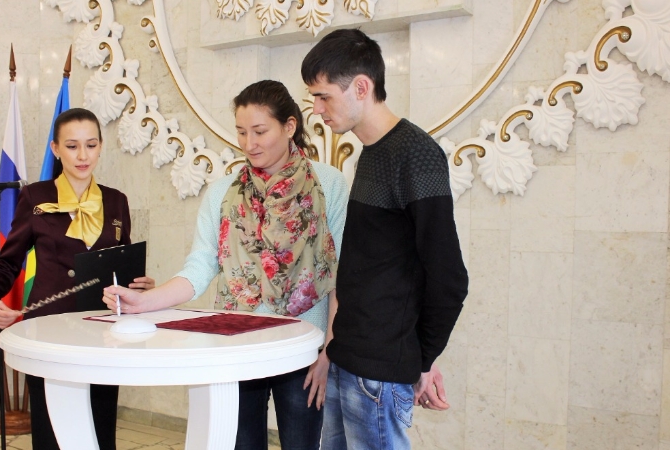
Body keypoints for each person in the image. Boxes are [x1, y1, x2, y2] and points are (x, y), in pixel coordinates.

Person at [102, 80, 349, 450]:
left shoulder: (329, 184)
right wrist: (144, 302)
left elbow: (341, 275)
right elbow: (200, 266)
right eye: (241, 132)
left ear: (290, 126)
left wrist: (329, 351)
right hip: (236, 344)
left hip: (302, 347)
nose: (249, 143)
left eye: (260, 131)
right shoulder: (222, 192)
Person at [301, 29, 469, 449]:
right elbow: (369, 268)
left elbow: (448, 276)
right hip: (348, 358)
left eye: (323, 97)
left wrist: (421, 359)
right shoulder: (372, 153)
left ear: (362, 87)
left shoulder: (416, 154)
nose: (316, 110)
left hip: (378, 371)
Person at [0, 107, 155, 450]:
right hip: (49, 329)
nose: (82, 155)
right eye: (72, 146)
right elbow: (9, 261)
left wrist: (140, 285)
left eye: (91, 145)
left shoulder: (116, 201)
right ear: (56, 149)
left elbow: (121, 264)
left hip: (103, 331)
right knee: (51, 431)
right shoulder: (35, 197)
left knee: (100, 429)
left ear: (101, 146)